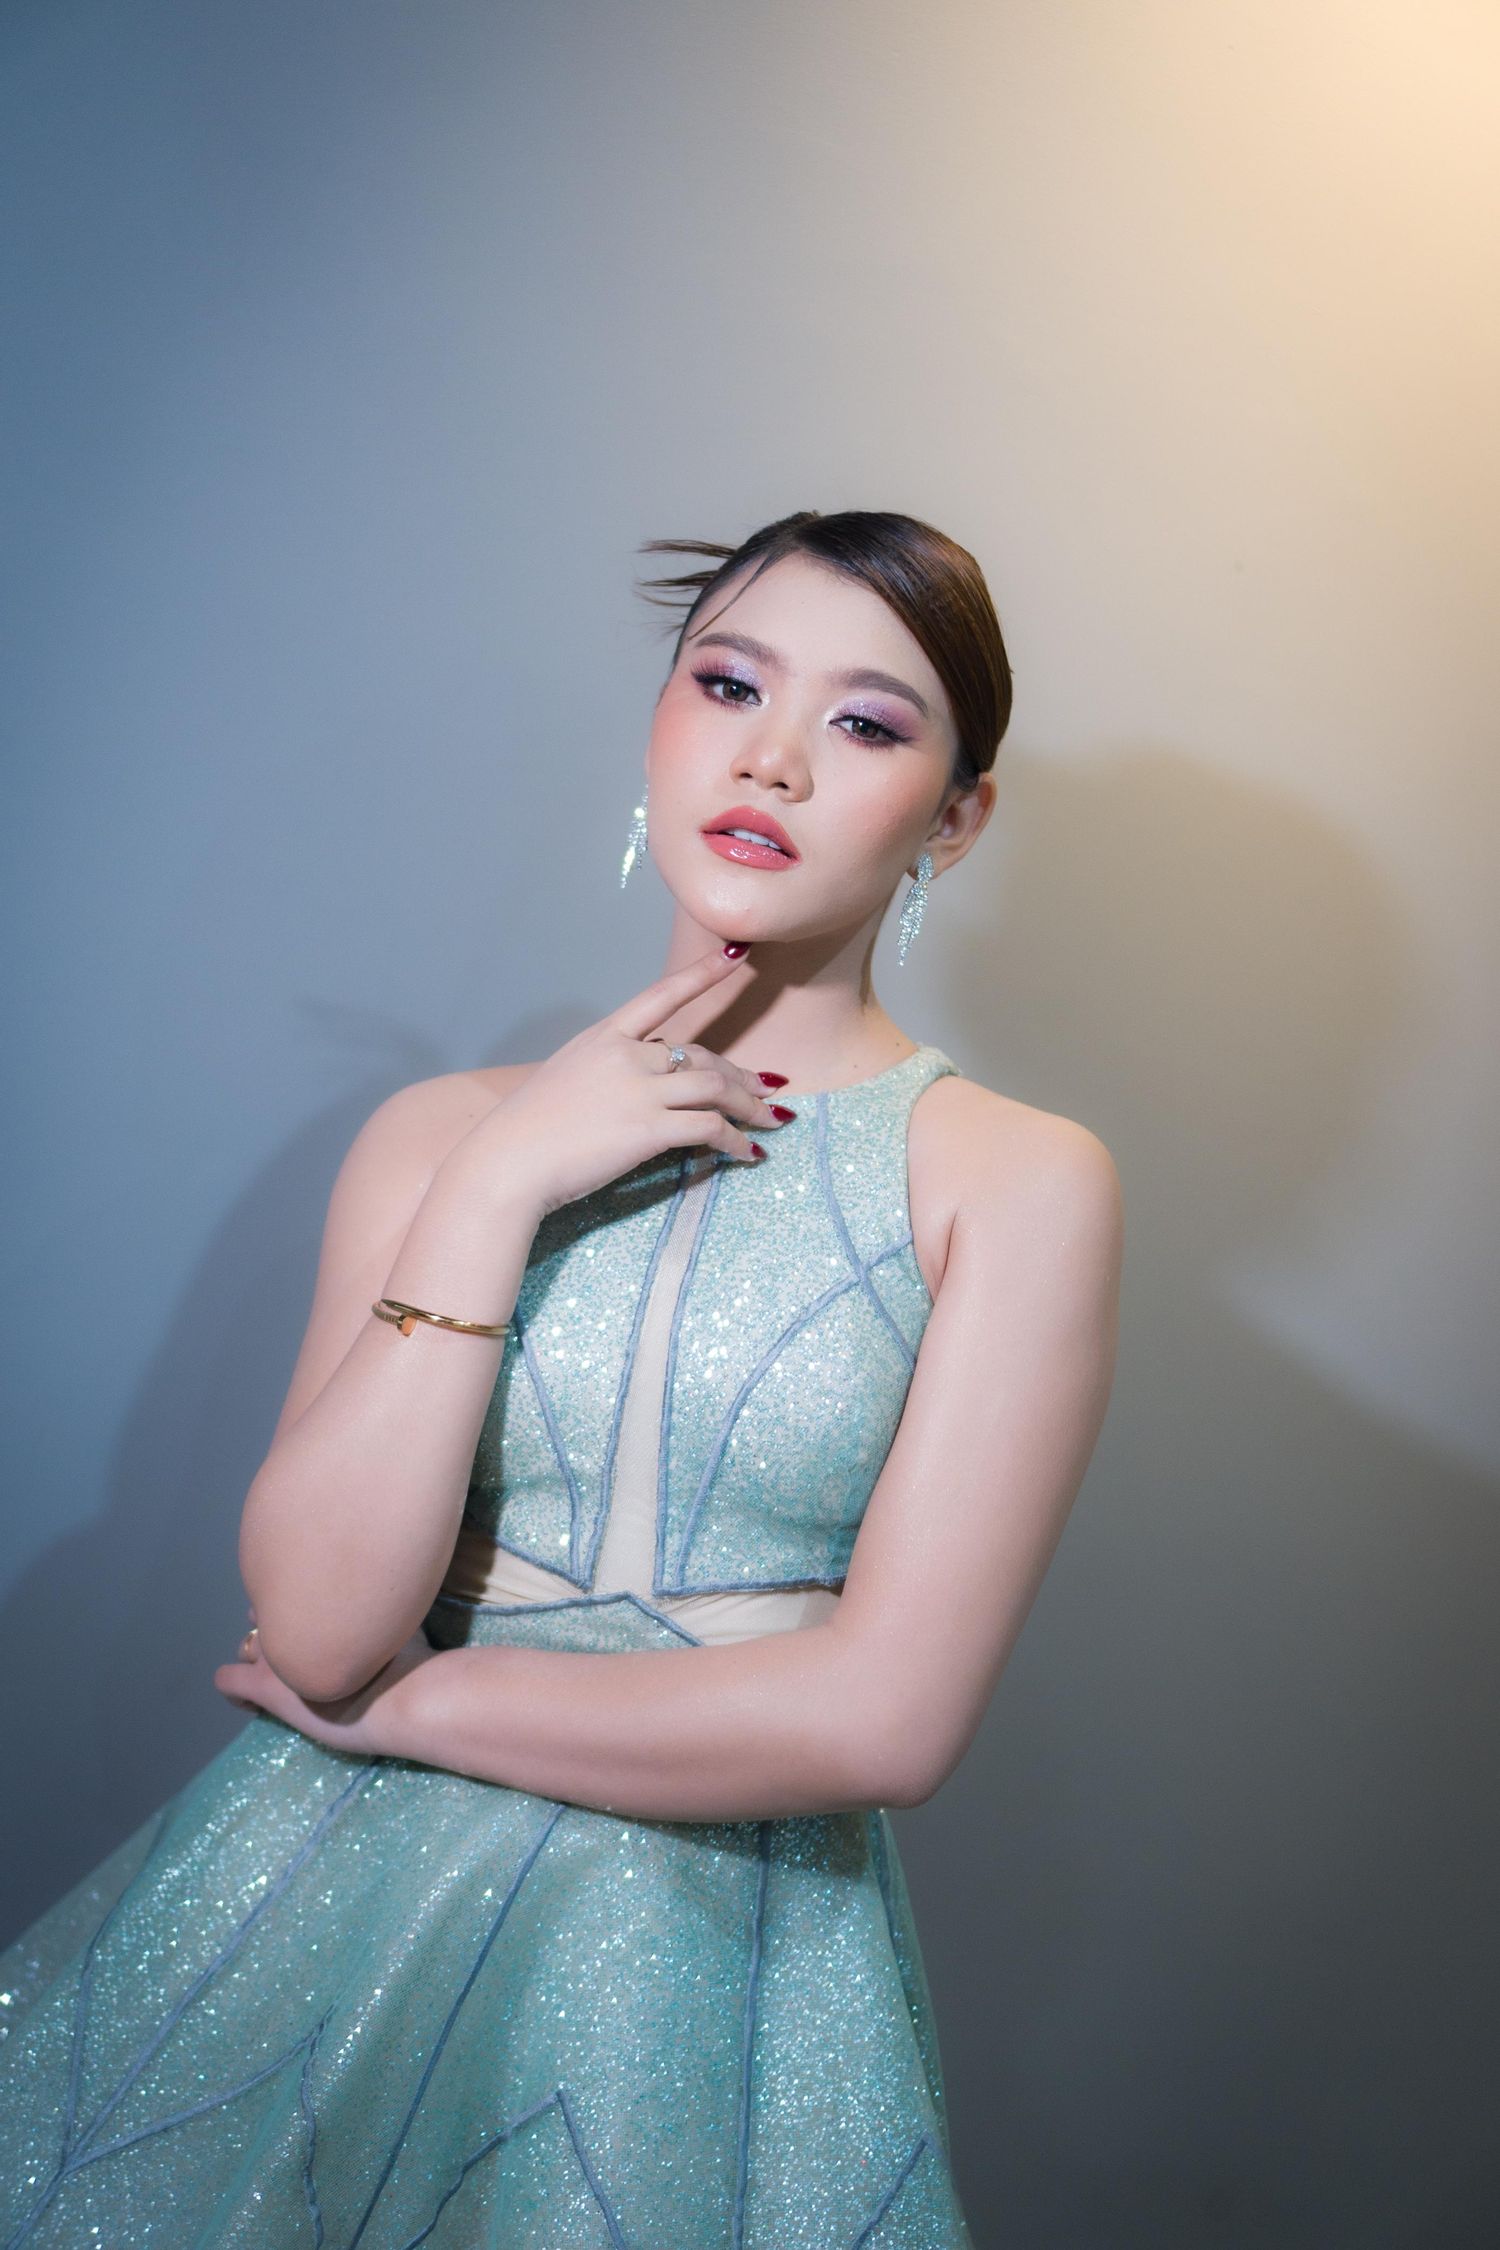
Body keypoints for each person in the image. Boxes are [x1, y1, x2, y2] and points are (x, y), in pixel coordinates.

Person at [0, 508, 1122, 2247]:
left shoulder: (1015, 1179)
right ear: (660, 721)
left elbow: (884, 1720)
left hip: (707, 1973)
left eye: (863, 721)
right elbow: (318, 1629)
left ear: (955, 818)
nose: (770, 757)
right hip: (315, 1917)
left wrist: (422, 1713)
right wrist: (501, 1178)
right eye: (728, 684)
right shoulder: (440, 1136)